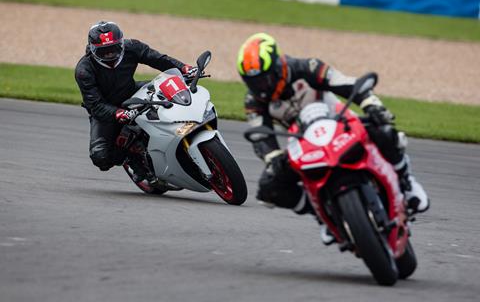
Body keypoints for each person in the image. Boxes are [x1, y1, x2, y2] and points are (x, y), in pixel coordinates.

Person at [237, 33, 429, 244]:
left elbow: (345, 83)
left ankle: (408, 183)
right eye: (253, 82)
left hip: (340, 121)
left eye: (265, 79)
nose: (261, 87)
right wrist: (273, 158)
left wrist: (372, 105)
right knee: (269, 188)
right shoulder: (253, 100)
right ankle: (322, 216)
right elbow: (260, 135)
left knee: (384, 131)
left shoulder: (306, 67)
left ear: (277, 66)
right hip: (303, 140)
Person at [75, 21, 197, 185]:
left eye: (114, 49)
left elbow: (157, 59)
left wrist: (183, 68)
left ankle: (187, 124)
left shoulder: (132, 47)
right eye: (104, 51)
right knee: (101, 157)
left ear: (121, 44)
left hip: (133, 92)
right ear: (92, 49)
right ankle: (132, 157)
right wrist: (117, 113)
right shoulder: (84, 70)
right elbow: (95, 105)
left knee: (170, 86)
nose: (110, 54)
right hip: (106, 109)